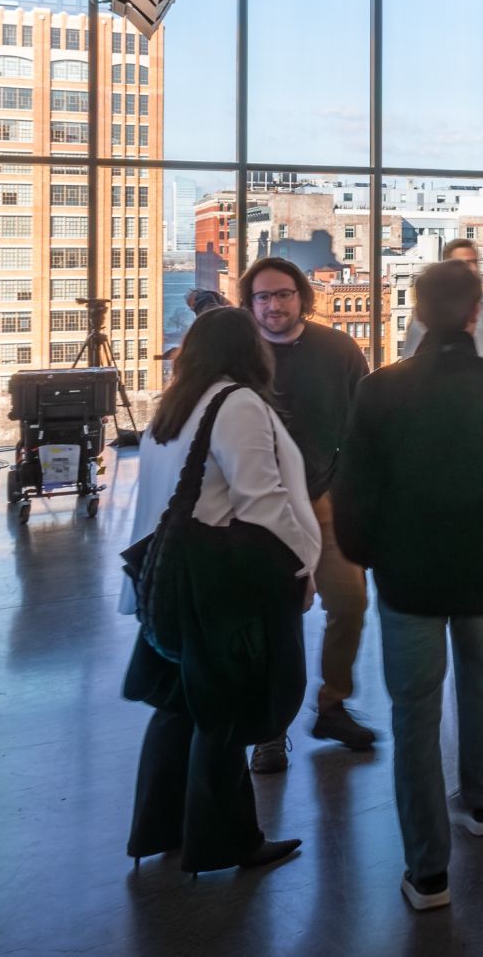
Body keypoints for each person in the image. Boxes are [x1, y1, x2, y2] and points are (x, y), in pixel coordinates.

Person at [332, 259, 483, 912]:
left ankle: (428, 873)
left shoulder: (381, 389)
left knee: (415, 712)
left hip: (409, 575)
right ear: (473, 315)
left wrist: (369, 553)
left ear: (415, 314)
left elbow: (352, 491)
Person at [122, 307, 320, 873]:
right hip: (218, 582)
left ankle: (158, 829)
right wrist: (302, 565)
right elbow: (262, 500)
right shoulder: (237, 404)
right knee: (222, 710)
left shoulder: (174, 407)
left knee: (179, 705)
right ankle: (227, 842)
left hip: (173, 577)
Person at [240, 256, 375, 769]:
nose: (274, 305)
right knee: (276, 619)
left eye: (283, 294)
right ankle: (269, 730)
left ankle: (332, 705)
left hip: (326, 498)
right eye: (263, 296)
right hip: (262, 509)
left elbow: (363, 424)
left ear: (302, 297)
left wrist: (352, 491)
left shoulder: (338, 349)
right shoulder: (240, 356)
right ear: (250, 303)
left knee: (351, 604)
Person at [397, 238, 483, 361]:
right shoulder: (430, 307)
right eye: (465, 264)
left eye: (475, 262)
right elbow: (410, 356)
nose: (474, 268)